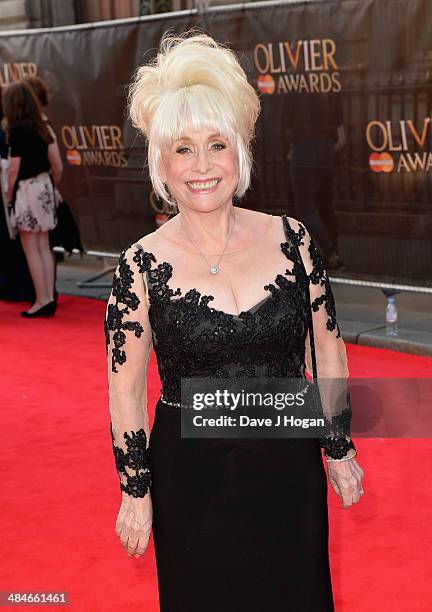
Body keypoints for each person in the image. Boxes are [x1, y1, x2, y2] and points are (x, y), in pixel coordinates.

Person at [104, 32, 365, 612]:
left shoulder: (292, 239)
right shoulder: (140, 265)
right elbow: (125, 393)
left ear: (240, 153)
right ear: (161, 164)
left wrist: (338, 445)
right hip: (192, 480)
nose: (202, 167)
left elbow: (328, 349)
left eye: (216, 145)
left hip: (287, 470)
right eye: (183, 149)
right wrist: (135, 490)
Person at [1, 80, 63, 317]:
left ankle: (40, 300)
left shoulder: (17, 129)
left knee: (31, 248)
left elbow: (14, 169)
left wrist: (8, 194)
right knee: (44, 246)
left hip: (26, 190)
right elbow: (55, 163)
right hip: (44, 185)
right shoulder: (41, 126)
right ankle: (49, 296)